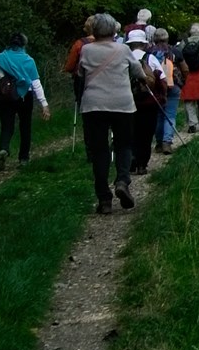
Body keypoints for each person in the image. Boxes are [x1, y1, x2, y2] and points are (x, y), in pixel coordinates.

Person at [71, 13, 136, 213]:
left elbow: (80, 73)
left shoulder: (86, 50)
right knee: (124, 145)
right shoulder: (124, 49)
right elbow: (137, 71)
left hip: (94, 106)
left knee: (99, 151)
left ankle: (104, 200)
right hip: (122, 104)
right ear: (114, 30)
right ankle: (122, 181)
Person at [0, 33, 47, 169]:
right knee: (25, 126)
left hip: (4, 97)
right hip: (25, 96)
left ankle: (3, 148)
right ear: (24, 44)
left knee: (6, 126)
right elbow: (36, 83)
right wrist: (44, 104)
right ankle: (23, 159)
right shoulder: (28, 60)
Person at [126, 26, 166, 178]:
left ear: (130, 44)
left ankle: (132, 160)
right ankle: (142, 163)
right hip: (149, 102)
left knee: (131, 132)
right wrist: (162, 98)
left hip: (128, 102)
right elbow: (162, 80)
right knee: (147, 133)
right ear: (144, 44)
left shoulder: (125, 58)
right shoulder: (151, 58)